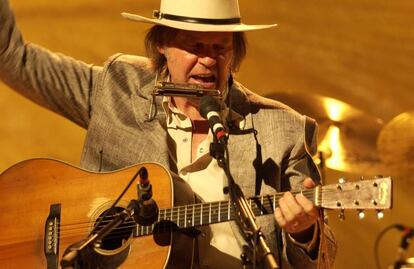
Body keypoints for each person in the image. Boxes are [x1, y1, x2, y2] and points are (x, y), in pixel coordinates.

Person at [0, 0, 336, 268]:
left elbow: (322, 259)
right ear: (162, 43)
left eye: (221, 48)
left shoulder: (284, 130)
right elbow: (13, 59)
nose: (208, 61)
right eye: (195, 45)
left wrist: (305, 232)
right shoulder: (117, 87)